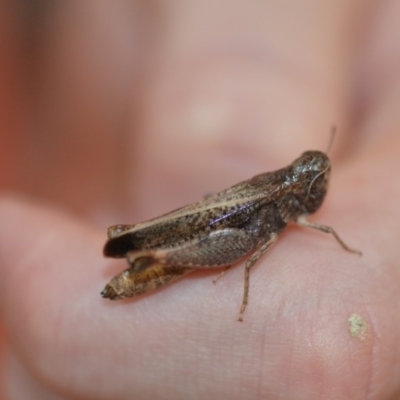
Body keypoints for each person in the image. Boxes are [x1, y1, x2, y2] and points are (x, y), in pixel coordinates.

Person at [0, 2, 398, 399]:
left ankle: (151, 257)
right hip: (230, 230)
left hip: (236, 227)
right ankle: (146, 253)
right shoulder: (279, 194)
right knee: (230, 241)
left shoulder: (287, 197)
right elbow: (250, 258)